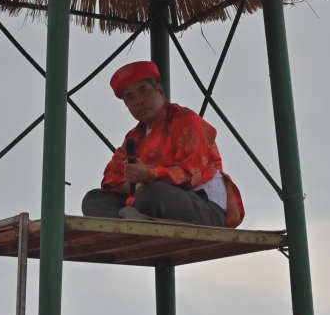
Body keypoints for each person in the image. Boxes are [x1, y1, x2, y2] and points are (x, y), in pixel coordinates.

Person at [81, 61, 244, 228]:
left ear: (160, 91)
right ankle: (134, 224)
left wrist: (148, 174)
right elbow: (111, 177)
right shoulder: (133, 136)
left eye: (143, 91)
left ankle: (131, 224)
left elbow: (191, 174)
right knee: (93, 199)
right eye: (130, 98)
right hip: (146, 202)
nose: (139, 101)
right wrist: (134, 185)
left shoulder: (186, 120)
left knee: (154, 193)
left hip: (203, 205)